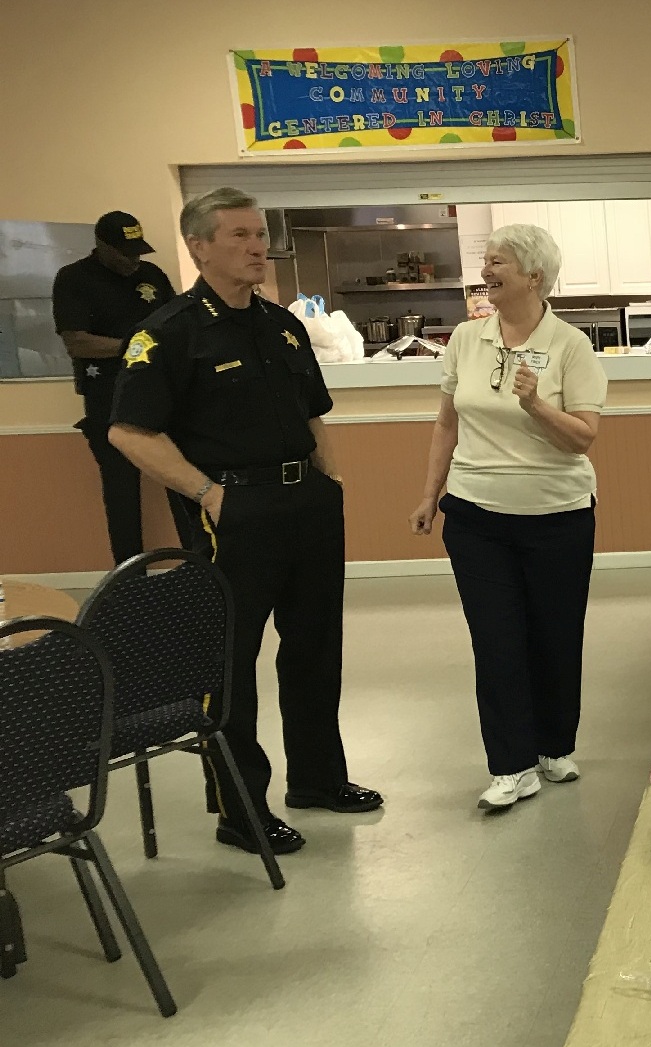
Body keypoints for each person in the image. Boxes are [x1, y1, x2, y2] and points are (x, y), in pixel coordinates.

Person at [110, 187, 382, 856]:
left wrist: (331, 480)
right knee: (230, 664)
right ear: (198, 246)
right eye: (238, 236)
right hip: (234, 512)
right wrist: (207, 494)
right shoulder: (170, 333)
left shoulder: (281, 325)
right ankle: (239, 808)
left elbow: (312, 411)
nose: (256, 246)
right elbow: (129, 432)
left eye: (259, 234)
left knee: (316, 648)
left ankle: (318, 778)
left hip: (306, 504)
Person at [408, 224, 605, 811]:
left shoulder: (571, 345)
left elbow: (583, 440)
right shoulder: (467, 339)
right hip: (475, 515)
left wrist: (535, 403)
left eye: (498, 263)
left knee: (554, 635)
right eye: (486, 262)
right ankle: (510, 764)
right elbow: (447, 422)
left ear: (534, 277)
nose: (486, 272)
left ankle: (553, 745)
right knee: (496, 640)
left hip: (557, 516)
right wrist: (429, 494)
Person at [51, 211, 177, 564]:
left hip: (162, 393)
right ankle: (128, 579)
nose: (133, 261)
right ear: (102, 246)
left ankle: (199, 570)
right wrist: (134, 348)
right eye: (124, 253)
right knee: (121, 494)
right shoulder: (74, 279)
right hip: (108, 397)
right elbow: (77, 342)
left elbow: (178, 327)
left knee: (184, 484)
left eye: (137, 252)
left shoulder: (152, 275)